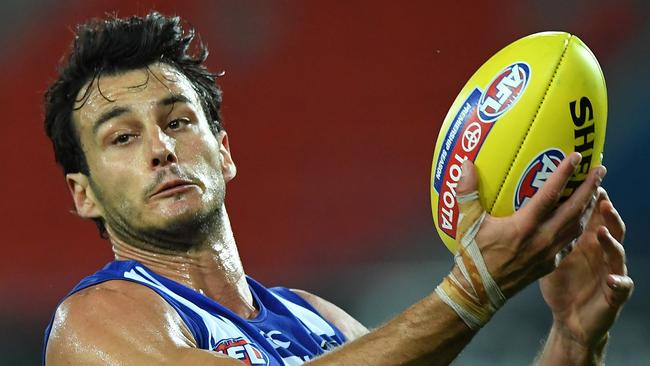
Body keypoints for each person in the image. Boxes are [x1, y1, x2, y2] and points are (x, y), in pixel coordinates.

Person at [42, 12, 633, 366]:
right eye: (121, 138)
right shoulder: (92, 326)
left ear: (223, 152)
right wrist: (472, 290)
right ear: (83, 194)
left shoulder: (321, 322)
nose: (161, 148)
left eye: (177, 122)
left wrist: (576, 338)